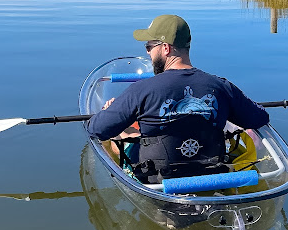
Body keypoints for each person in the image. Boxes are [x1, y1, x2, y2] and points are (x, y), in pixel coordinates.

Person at [86, 14, 269, 183]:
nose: (148, 53)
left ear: (165, 48)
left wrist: (108, 112)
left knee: (120, 137)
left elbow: (97, 128)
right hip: (210, 176)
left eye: (149, 47)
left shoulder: (141, 90)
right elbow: (260, 117)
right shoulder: (221, 87)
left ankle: (125, 130)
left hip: (156, 180)